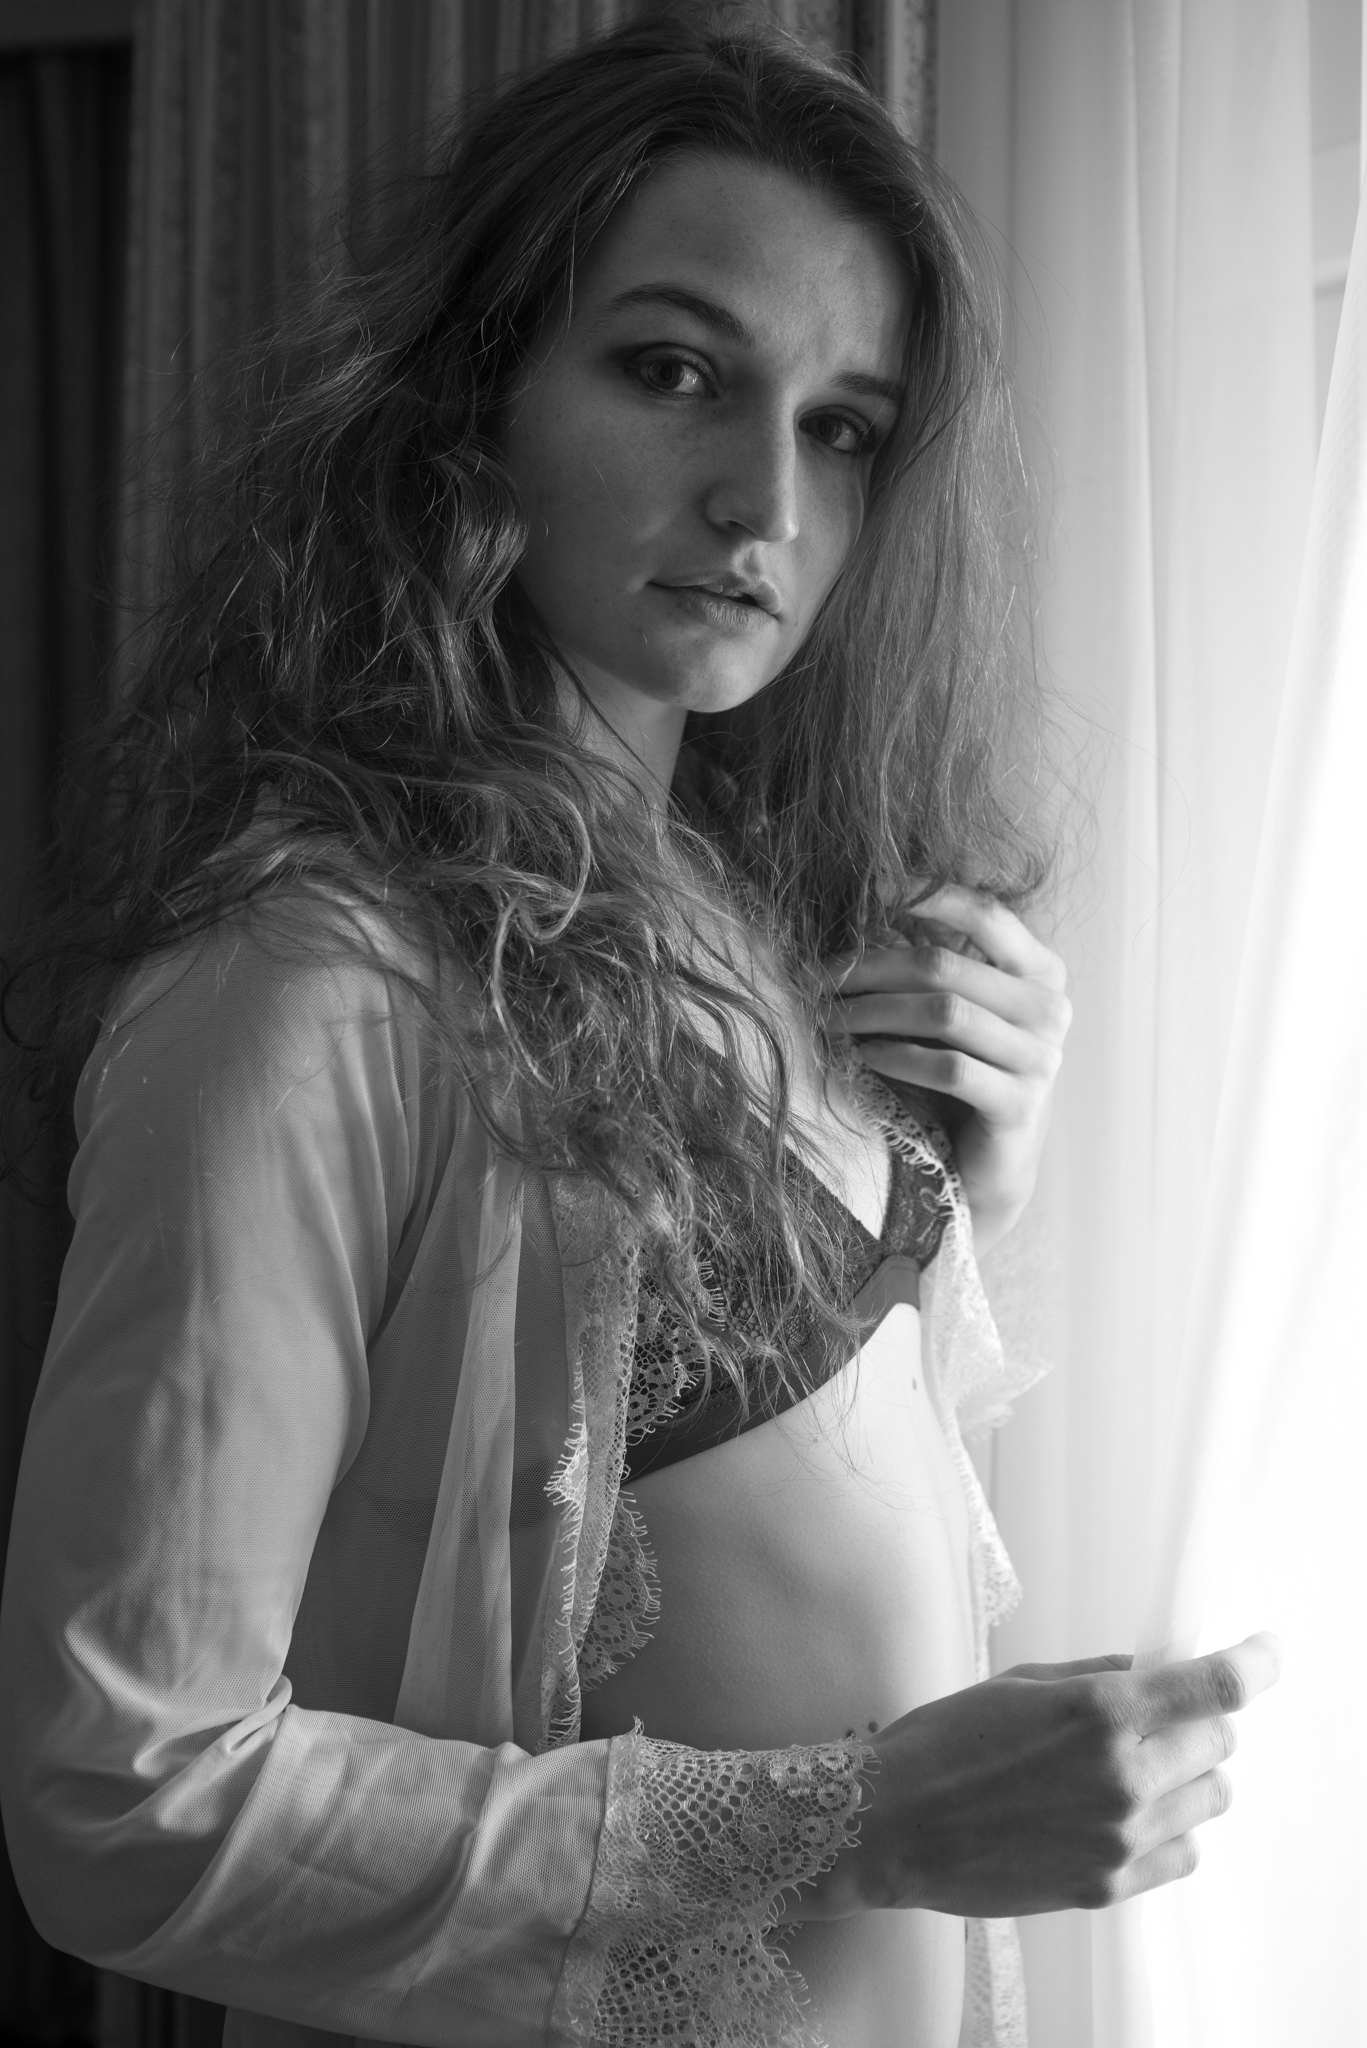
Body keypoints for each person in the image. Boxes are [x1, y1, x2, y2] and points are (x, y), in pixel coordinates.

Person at [0, 14, 1280, 2048]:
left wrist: (974, 1185)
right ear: (476, 389)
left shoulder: (757, 903)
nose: (762, 497)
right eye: (675, 369)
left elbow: (767, 1525)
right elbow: (118, 1798)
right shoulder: (308, 983)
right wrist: (864, 1821)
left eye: (842, 425)